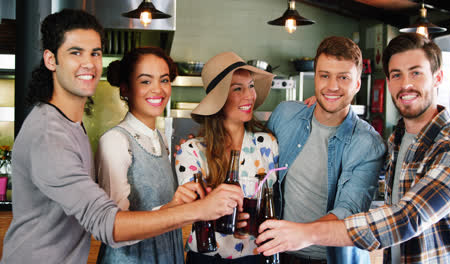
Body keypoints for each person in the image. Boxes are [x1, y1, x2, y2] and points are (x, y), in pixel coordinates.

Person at [1, 9, 243, 264]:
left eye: (95, 53)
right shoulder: (49, 135)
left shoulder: (70, 124)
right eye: (75, 52)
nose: (89, 63)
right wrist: (197, 210)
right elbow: (107, 223)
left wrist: (179, 206)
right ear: (51, 60)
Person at [257, 33, 450, 264]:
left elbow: (407, 218)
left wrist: (303, 233)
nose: (406, 84)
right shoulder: (397, 141)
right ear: (388, 82)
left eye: (416, 72)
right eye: (397, 75)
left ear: (438, 77)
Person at [256, 36, 387, 264]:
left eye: (343, 78)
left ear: (357, 84)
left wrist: (298, 234)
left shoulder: (369, 144)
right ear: (315, 78)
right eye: (324, 76)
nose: (332, 86)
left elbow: (349, 211)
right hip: (277, 253)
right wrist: (201, 145)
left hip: (332, 258)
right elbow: (253, 154)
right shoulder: (285, 114)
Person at [175, 51, 279, 263]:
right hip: (206, 258)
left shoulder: (268, 145)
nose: (249, 95)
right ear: (219, 99)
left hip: (253, 257)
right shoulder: (191, 151)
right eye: (237, 89)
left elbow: (272, 203)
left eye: (251, 86)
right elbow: (190, 211)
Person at [94, 47, 192, 263]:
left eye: (164, 80)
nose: (158, 89)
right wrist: (173, 209)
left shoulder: (162, 139)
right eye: (146, 81)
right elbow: (115, 230)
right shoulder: (115, 141)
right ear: (126, 89)